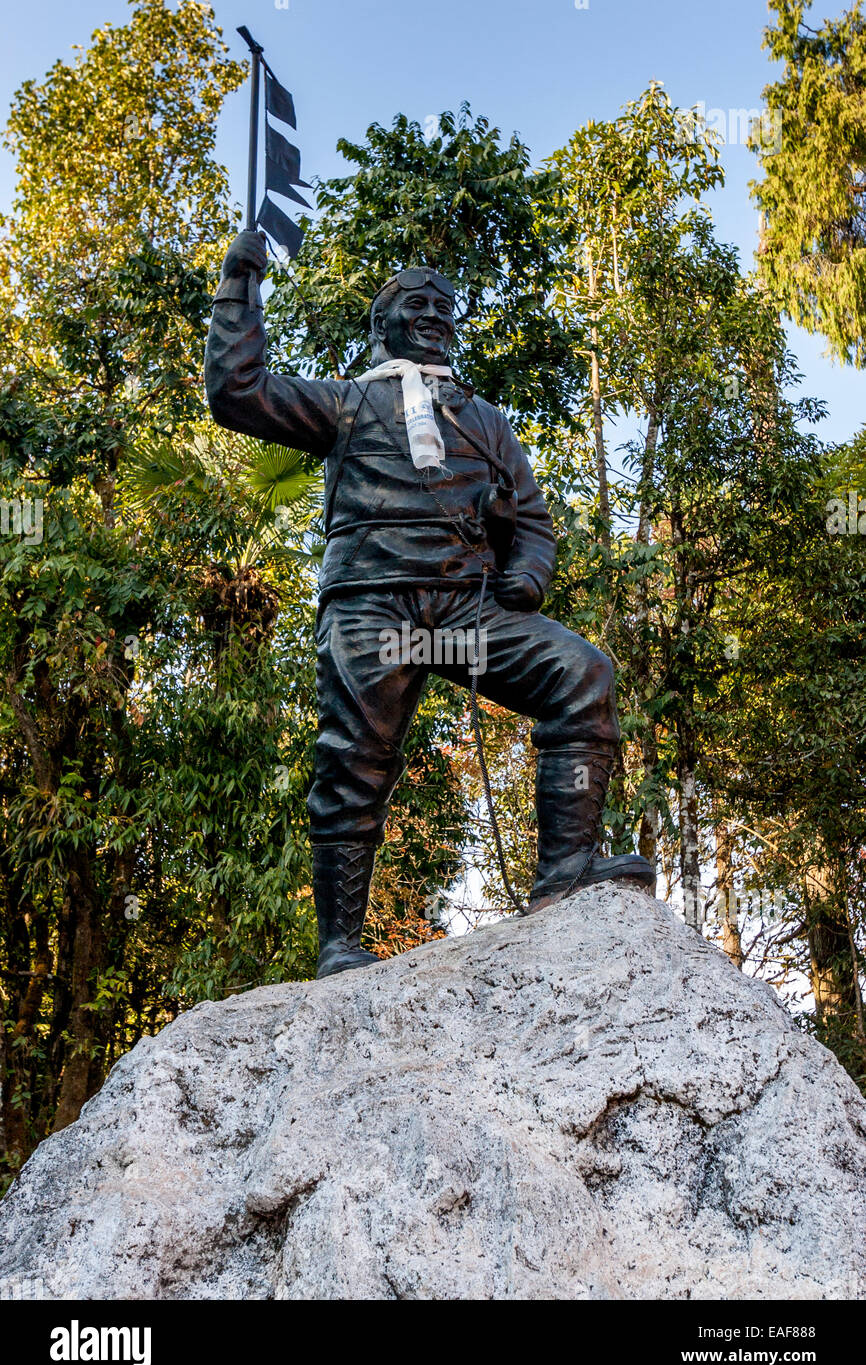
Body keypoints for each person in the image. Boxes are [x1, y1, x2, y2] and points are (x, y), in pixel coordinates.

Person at [205, 231, 654, 978]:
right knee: (354, 759)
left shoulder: (487, 421)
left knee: (583, 676)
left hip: (466, 615)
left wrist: (528, 577)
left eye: (445, 308)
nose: (435, 316)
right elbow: (237, 391)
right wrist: (239, 285)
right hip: (371, 609)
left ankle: (567, 870)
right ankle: (340, 944)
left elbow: (537, 526)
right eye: (416, 304)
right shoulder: (345, 405)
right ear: (381, 324)